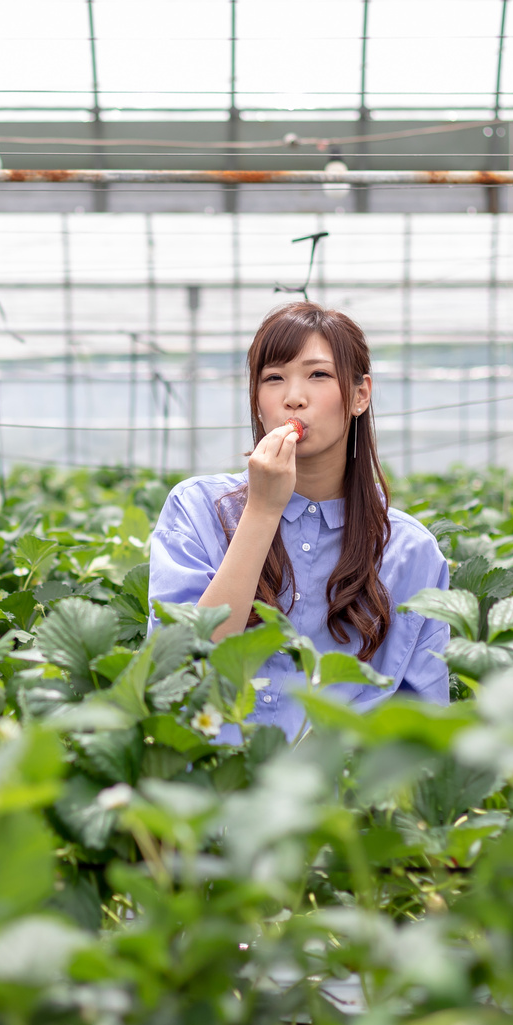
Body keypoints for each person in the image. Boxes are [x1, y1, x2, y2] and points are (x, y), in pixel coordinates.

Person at [148, 302, 452, 739]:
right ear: (256, 401)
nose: (294, 396)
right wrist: (262, 511)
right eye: (274, 378)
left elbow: (422, 729)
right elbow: (178, 669)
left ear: (360, 395)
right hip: (210, 787)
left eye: (318, 375)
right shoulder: (195, 510)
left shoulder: (411, 552)